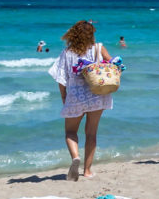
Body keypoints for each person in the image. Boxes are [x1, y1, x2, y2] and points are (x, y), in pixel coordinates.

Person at [47, 20, 113, 180]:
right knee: (91, 134)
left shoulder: (67, 52)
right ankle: (87, 171)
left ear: (73, 34)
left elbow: (61, 78)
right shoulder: (98, 48)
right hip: (97, 94)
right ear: (91, 34)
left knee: (70, 132)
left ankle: (75, 157)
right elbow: (113, 66)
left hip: (75, 97)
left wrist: (64, 96)